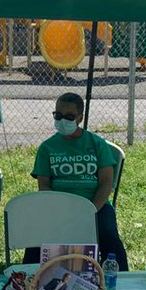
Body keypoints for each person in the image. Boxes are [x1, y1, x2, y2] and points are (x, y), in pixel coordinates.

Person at [30, 92, 129, 270]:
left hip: (95, 206)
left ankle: (121, 280)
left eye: (69, 116)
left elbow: (106, 183)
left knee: (109, 236)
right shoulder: (47, 147)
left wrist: (90, 210)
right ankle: (29, 279)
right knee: (37, 237)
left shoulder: (97, 144)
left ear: (80, 118)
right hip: (58, 207)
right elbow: (44, 185)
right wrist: (57, 209)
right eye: (58, 115)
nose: (62, 120)